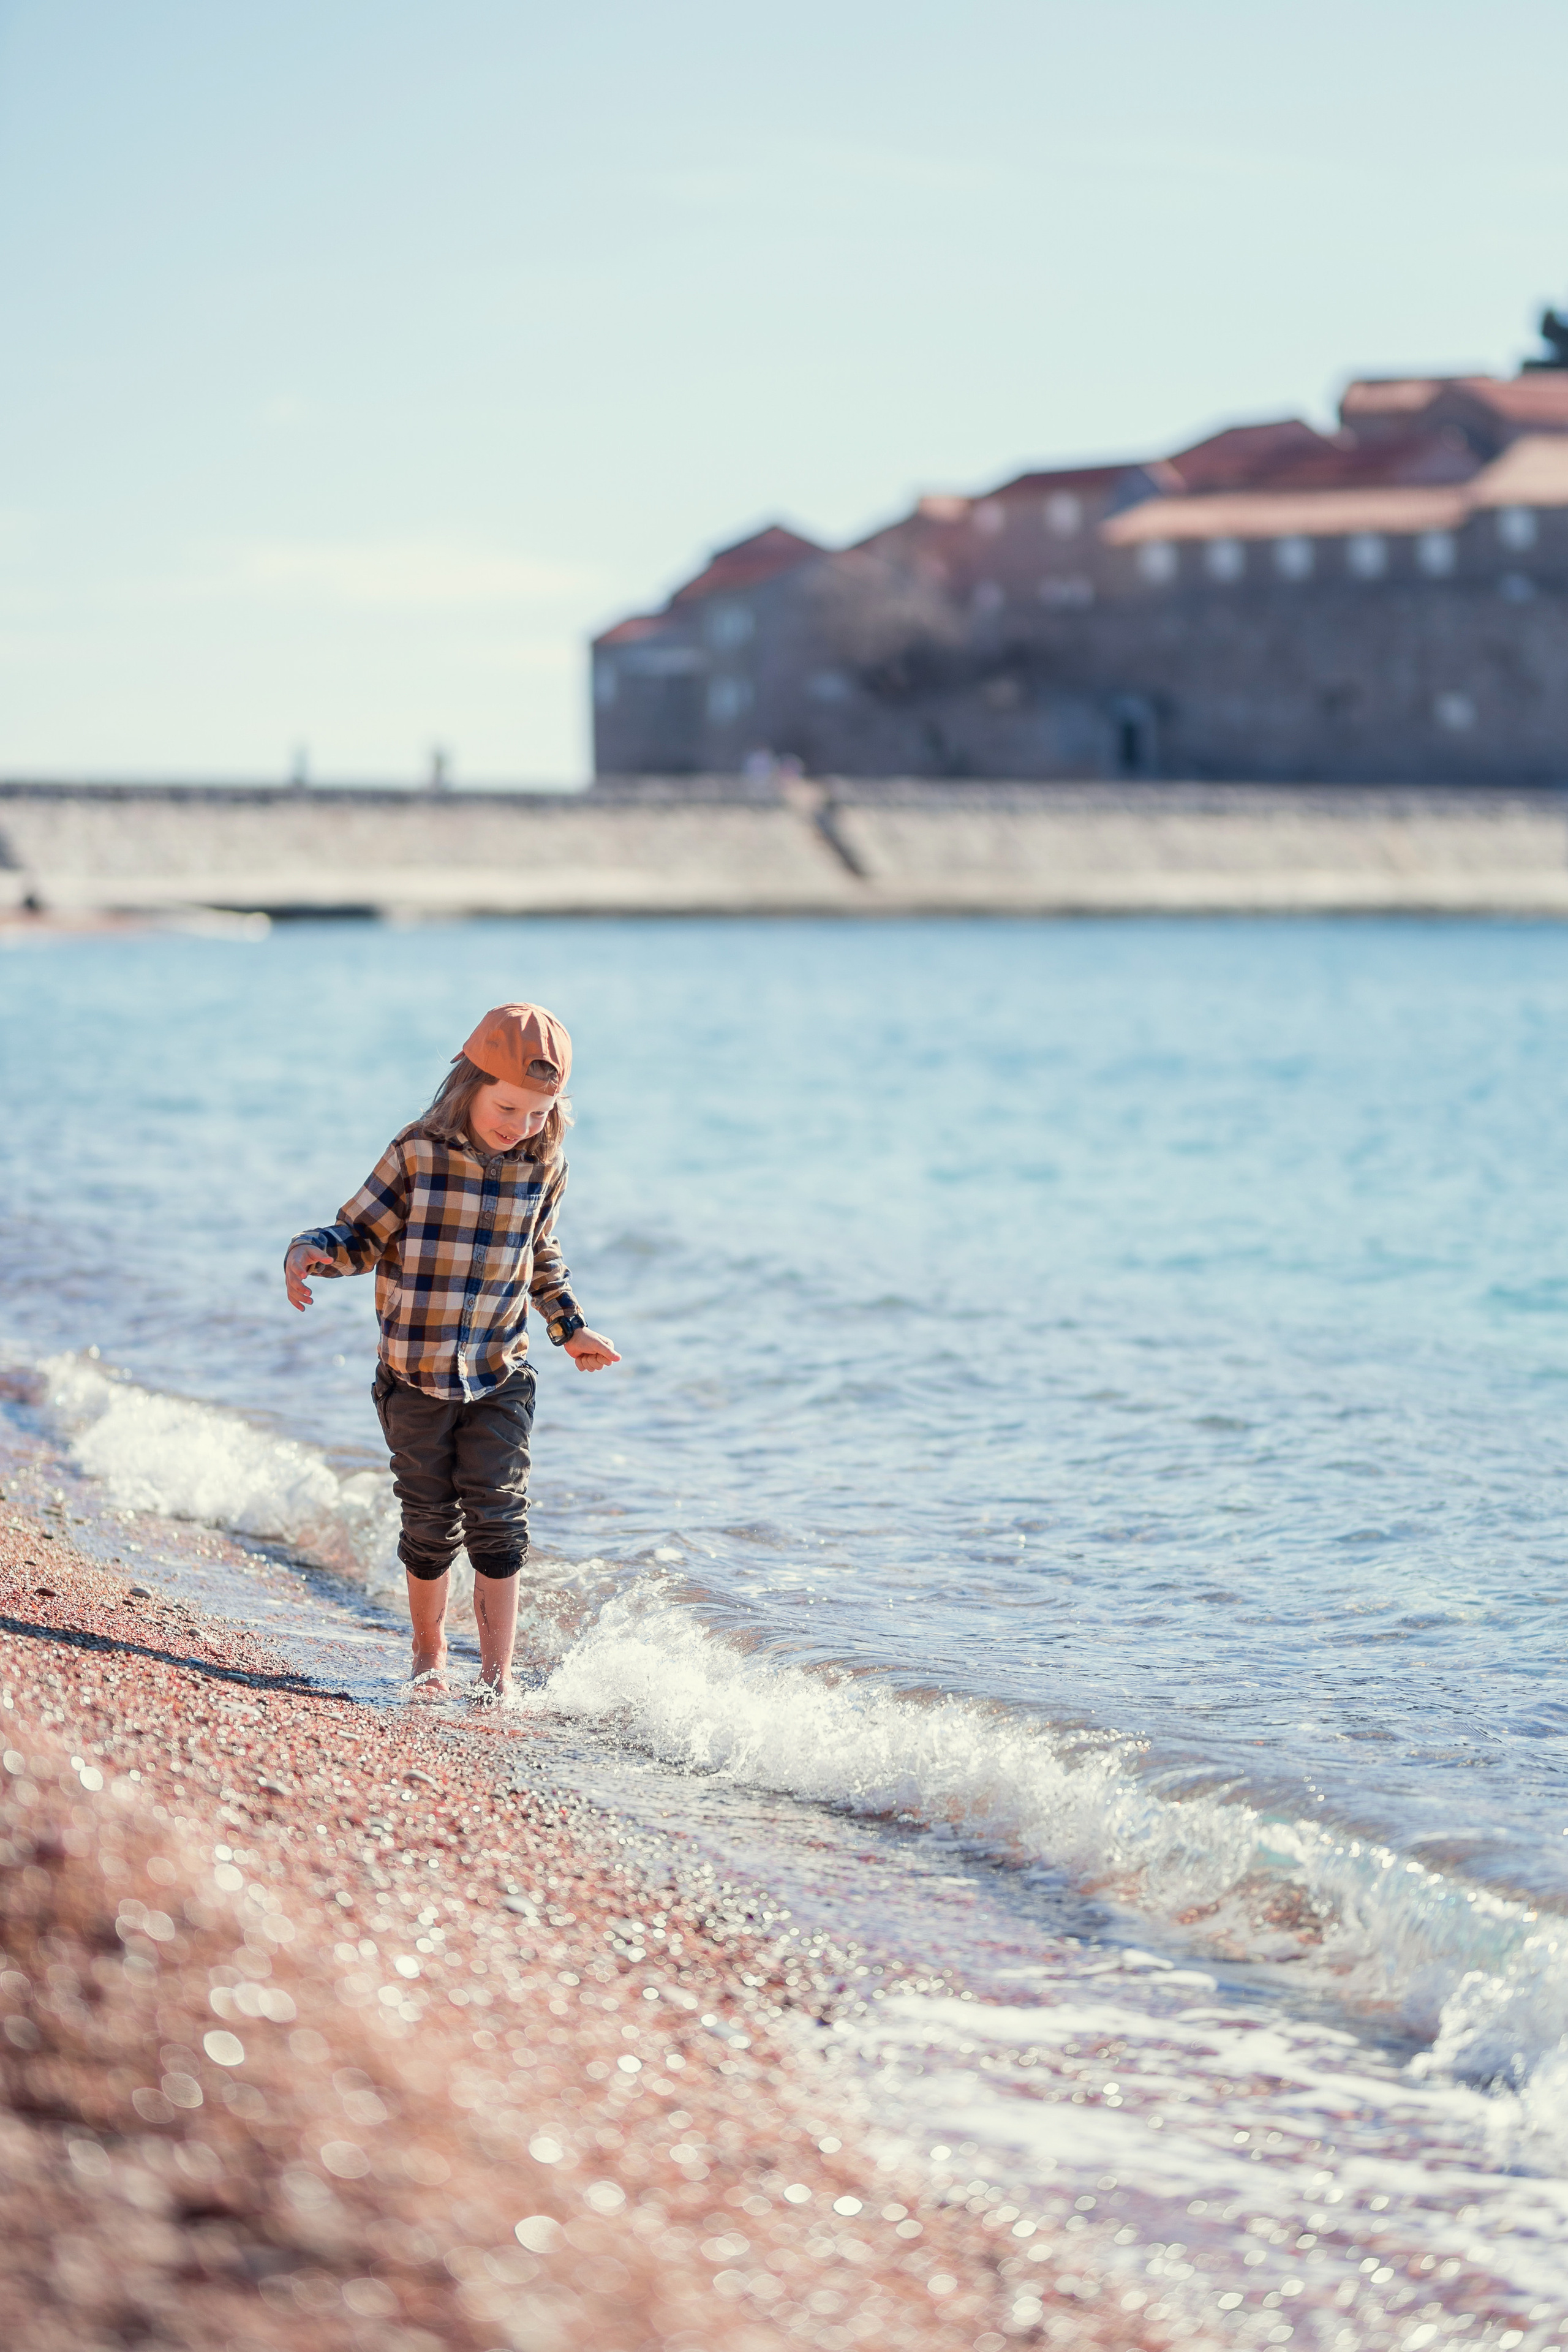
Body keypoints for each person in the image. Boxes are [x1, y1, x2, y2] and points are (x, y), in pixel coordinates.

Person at [282, 1002, 619, 1698]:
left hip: (500, 1375)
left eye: (535, 1113)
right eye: (506, 1106)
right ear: (467, 1084)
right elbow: (360, 1234)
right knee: (430, 1523)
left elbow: (541, 1256)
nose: (519, 1125)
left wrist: (570, 1328)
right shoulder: (417, 1151)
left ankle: (498, 1682)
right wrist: (312, 1251)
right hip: (414, 1376)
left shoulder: (543, 1165)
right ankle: (429, 1653)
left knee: (499, 1516)